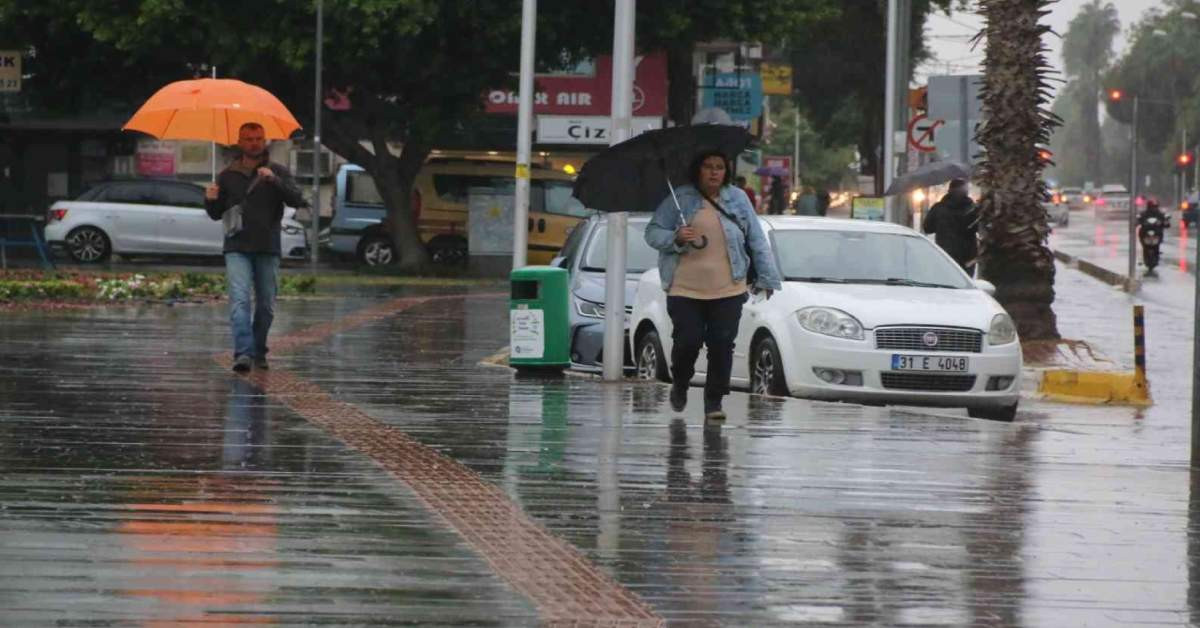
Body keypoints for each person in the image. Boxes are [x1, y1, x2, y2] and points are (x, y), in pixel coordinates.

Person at [645, 150, 782, 424]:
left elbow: (756, 239)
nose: (714, 172)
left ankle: (713, 401)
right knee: (688, 341)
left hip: (728, 288)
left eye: (719, 167)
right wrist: (676, 236)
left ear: (726, 171)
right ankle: (681, 382)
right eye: (708, 166)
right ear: (698, 169)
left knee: (721, 344)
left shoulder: (739, 199)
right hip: (685, 288)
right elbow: (652, 232)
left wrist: (767, 277)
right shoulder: (680, 198)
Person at [205, 122, 308, 373]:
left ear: (265, 141)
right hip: (237, 246)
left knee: (266, 305)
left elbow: (297, 199)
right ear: (240, 143)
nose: (254, 143)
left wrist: (274, 181)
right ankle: (243, 353)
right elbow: (217, 214)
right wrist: (210, 199)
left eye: (258, 138)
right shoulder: (227, 174)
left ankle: (258, 350)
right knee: (240, 301)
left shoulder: (277, 170)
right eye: (249, 139)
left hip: (267, 246)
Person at [922, 178, 978, 274]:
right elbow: (978, 228)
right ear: (966, 192)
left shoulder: (939, 208)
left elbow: (927, 228)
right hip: (967, 257)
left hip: (945, 255)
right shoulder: (972, 209)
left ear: (949, 191)